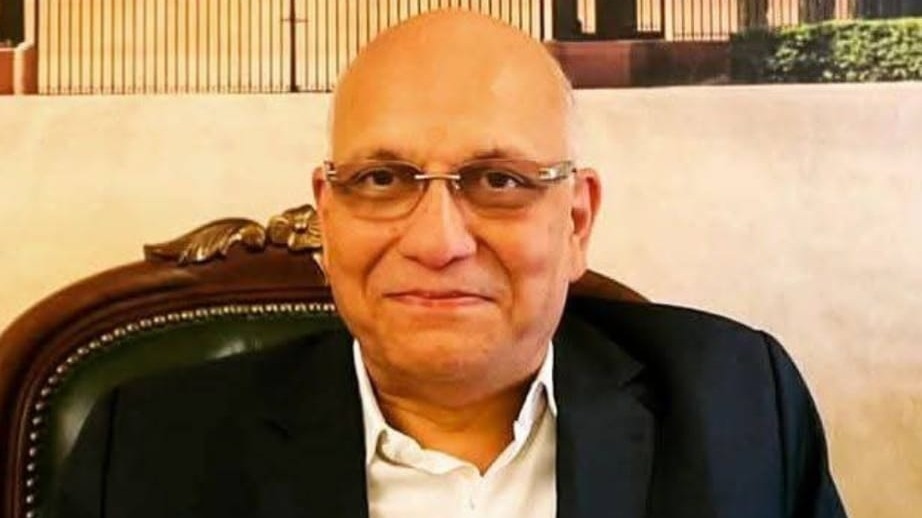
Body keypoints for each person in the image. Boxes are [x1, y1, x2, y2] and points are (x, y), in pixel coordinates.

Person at [52, 10, 846, 518]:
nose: (437, 243)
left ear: (575, 222)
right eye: (382, 180)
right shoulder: (147, 453)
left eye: (498, 181)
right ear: (327, 218)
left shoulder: (740, 409)